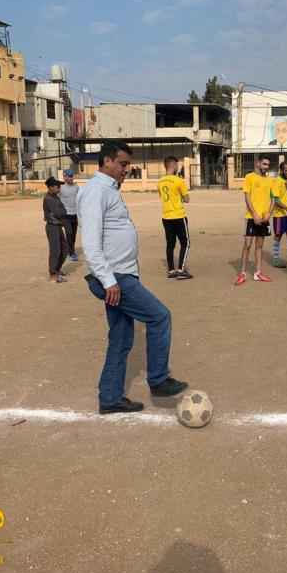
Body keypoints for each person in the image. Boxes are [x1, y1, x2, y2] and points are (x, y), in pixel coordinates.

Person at [79, 140, 188, 414]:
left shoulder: (109, 190)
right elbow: (90, 242)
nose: (127, 169)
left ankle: (110, 398)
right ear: (106, 161)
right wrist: (108, 280)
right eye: (123, 164)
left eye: (128, 164)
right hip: (115, 278)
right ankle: (159, 380)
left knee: (121, 338)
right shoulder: (95, 191)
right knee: (159, 316)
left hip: (121, 275)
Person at [236, 154, 275, 285]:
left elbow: (274, 199)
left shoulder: (270, 180)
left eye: (268, 165)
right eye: (264, 164)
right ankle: (242, 273)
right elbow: (247, 197)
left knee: (259, 246)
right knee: (247, 245)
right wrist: (254, 214)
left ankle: (258, 273)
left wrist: (269, 214)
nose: (266, 167)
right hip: (251, 217)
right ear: (258, 164)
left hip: (264, 218)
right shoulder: (249, 177)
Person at [158, 156, 192, 280]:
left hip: (166, 217)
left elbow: (162, 196)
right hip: (178, 216)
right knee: (185, 243)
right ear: (173, 166)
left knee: (170, 244)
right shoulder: (179, 181)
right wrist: (181, 197)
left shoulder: (160, 182)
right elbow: (187, 199)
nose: (178, 167)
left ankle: (171, 270)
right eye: (177, 165)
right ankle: (181, 269)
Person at [43, 177, 68, 283]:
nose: (59, 188)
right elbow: (60, 212)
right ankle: (53, 274)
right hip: (53, 226)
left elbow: (63, 211)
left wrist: (62, 212)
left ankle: (57, 269)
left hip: (58, 225)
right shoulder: (49, 199)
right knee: (55, 250)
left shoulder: (55, 197)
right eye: (58, 186)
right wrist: (62, 213)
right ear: (51, 187)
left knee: (64, 249)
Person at [59, 169, 80, 262]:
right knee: (69, 233)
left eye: (71, 176)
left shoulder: (77, 187)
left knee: (73, 235)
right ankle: (71, 253)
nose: (70, 178)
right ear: (64, 177)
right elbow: (57, 200)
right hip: (66, 215)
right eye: (68, 176)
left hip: (75, 215)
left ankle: (69, 250)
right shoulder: (61, 188)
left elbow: (80, 199)